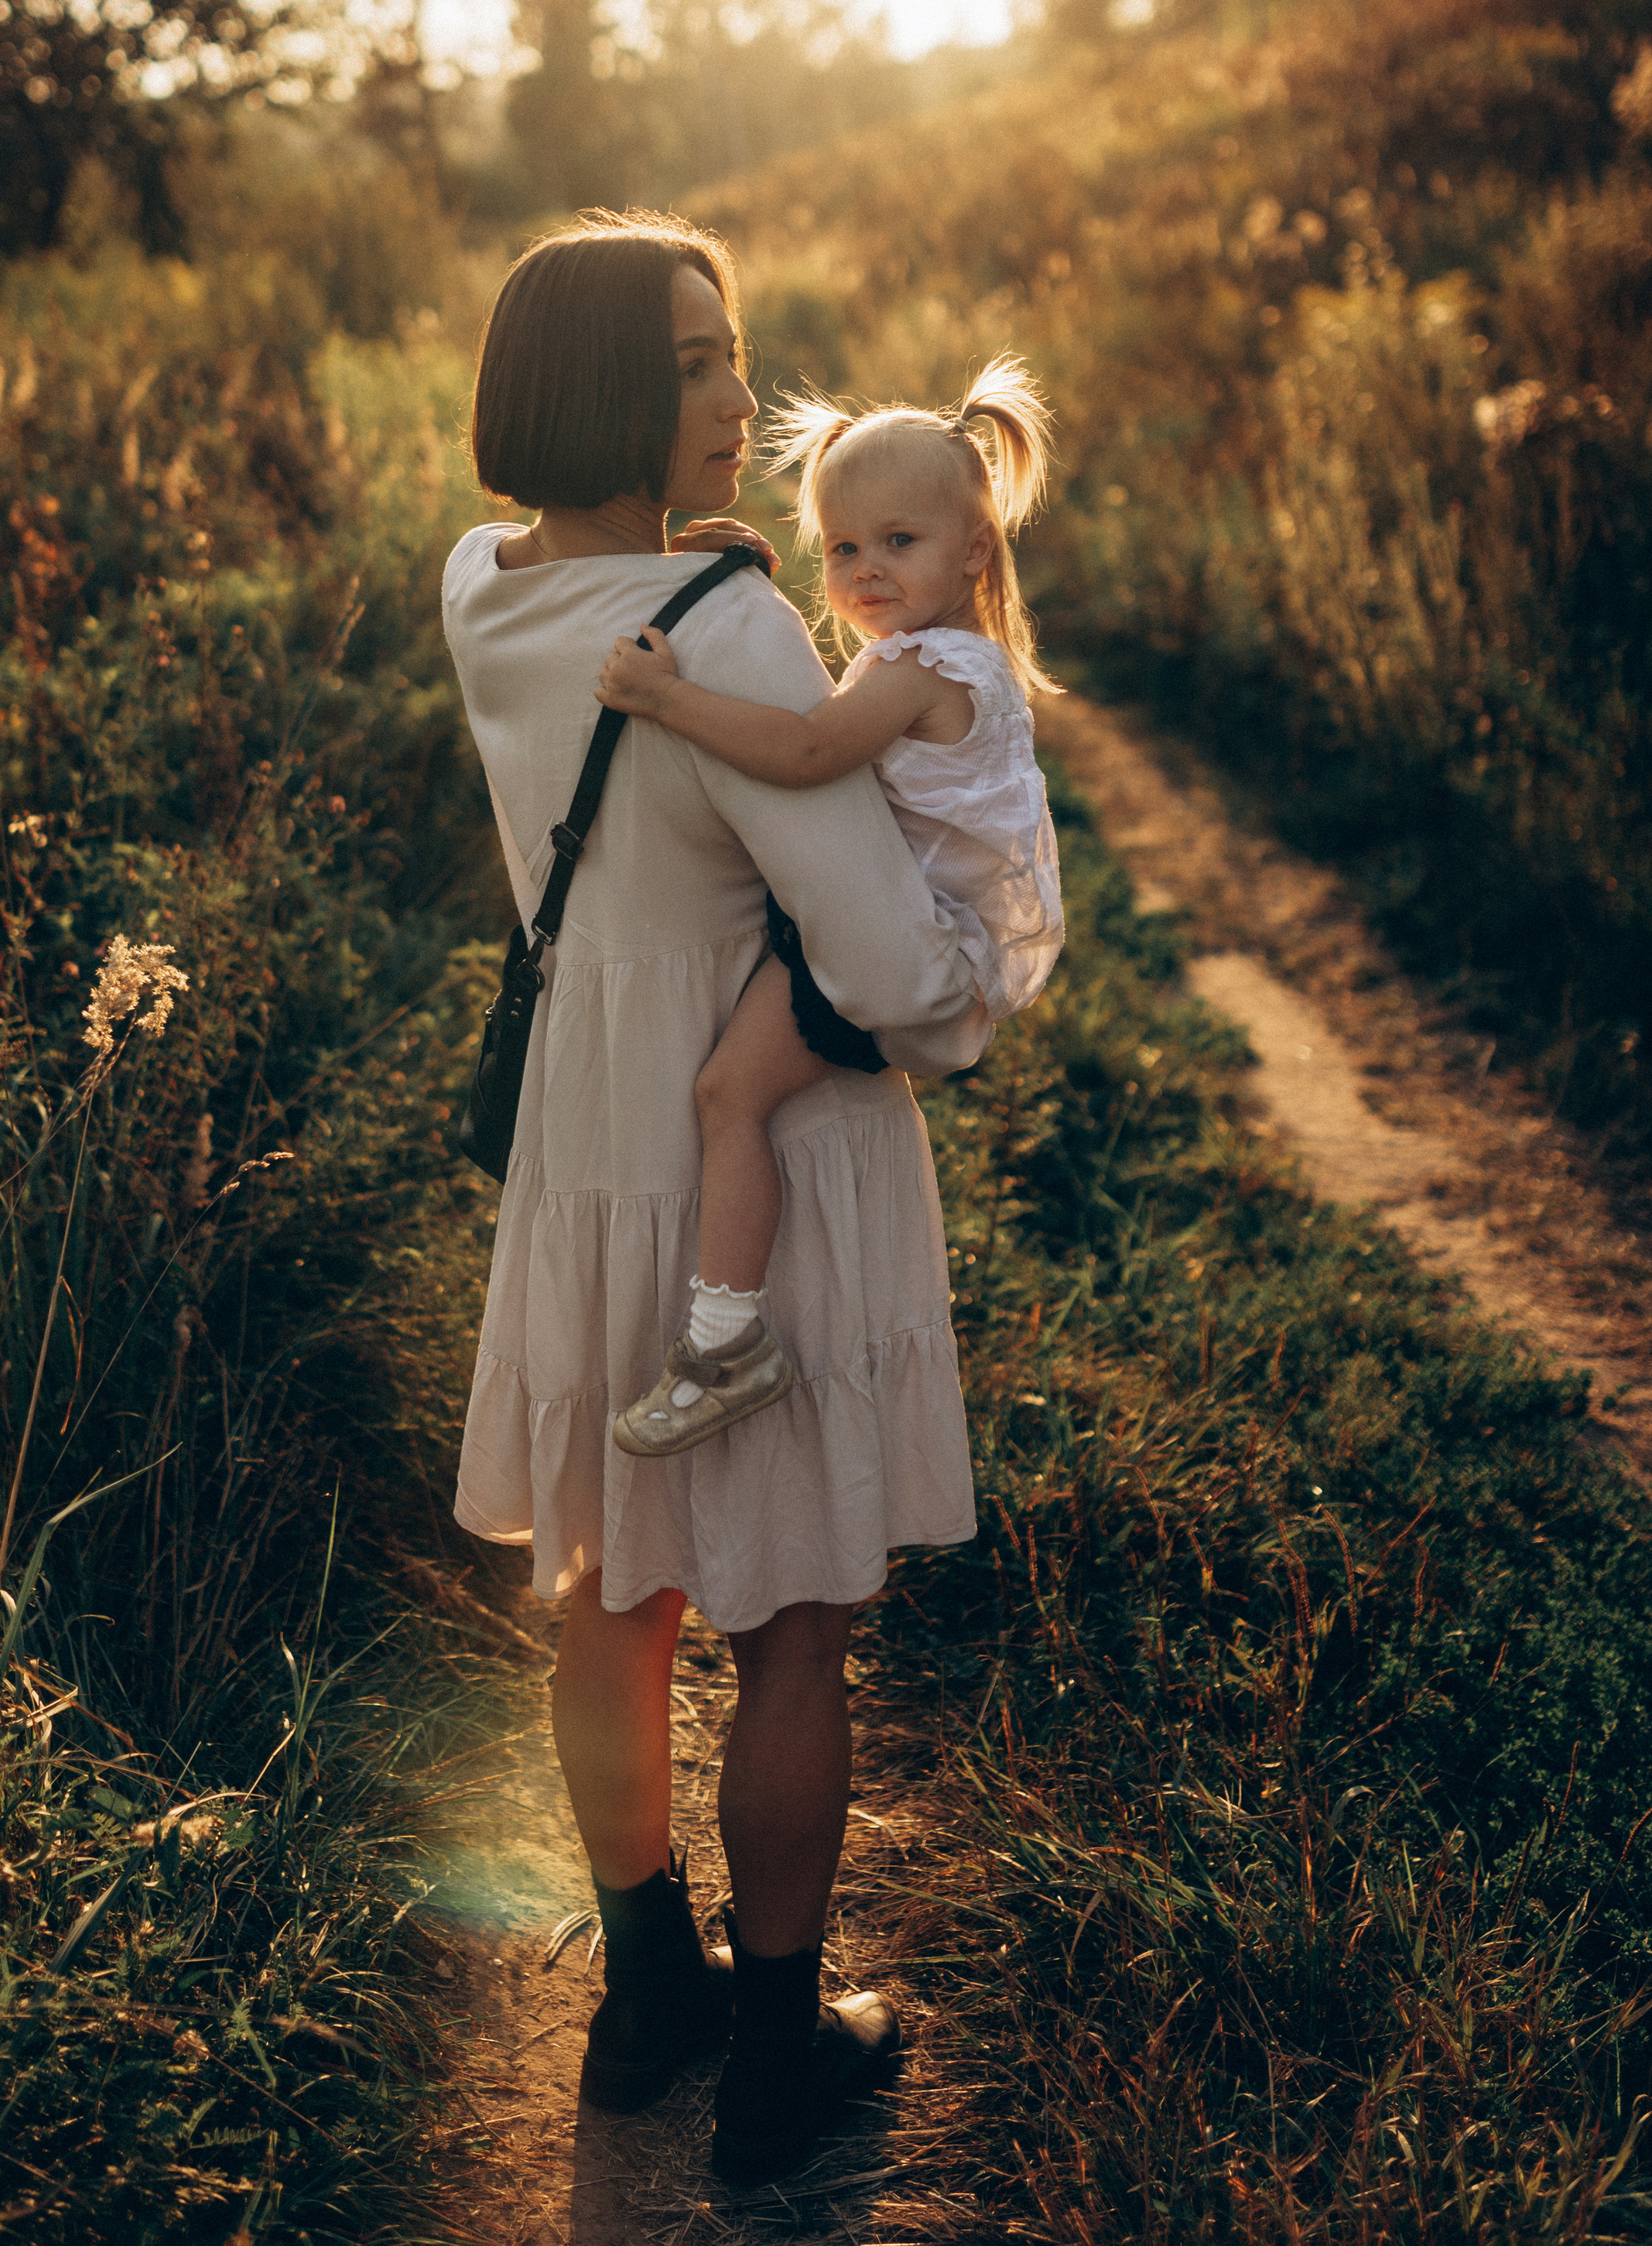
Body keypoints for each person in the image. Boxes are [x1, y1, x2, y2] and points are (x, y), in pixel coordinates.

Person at [440, 212, 993, 2190]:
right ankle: (776, 2052)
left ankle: (639, 1993)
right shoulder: (737, 632)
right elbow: (896, 965)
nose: (733, 389)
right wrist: (974, 960)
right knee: (789, 1622)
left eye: (732, 345)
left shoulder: (478, 588)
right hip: (759, 1144)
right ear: (600, 386)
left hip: (583, 1139)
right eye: (688, 359)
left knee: (609, 1585)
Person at [597, 363, 1065, 1461]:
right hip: (907, 924)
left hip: (910, 945)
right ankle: (731, 1328)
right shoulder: (954, 655)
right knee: (732, 1092)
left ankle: (726, 1339)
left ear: (974, 549)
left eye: (898, 542)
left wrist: (668, 697)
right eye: (843, 547)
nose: (863, 569)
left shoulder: (920, 666)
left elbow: (808, 750)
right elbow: (821, 707)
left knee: (726, 1095)